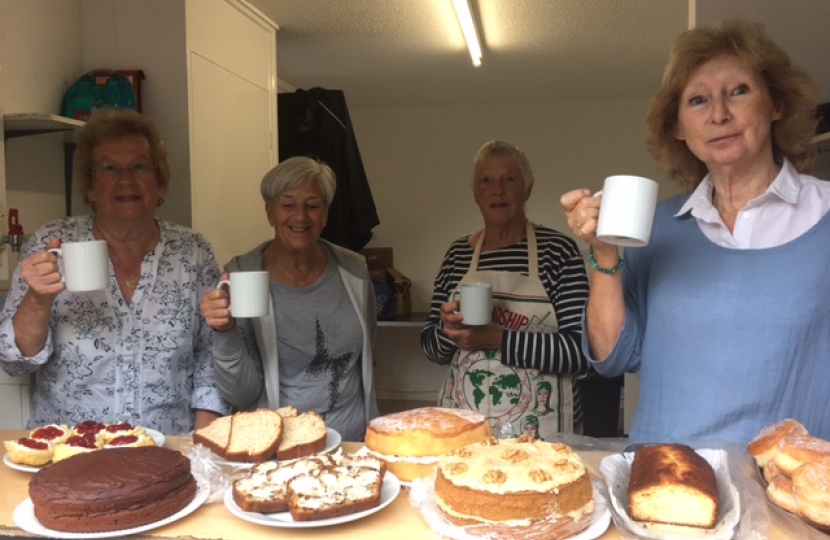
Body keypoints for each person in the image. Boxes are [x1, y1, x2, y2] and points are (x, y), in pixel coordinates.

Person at [561, 19, 830, 443]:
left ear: (776, 103)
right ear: (678, 128)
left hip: (784, 497)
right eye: (698, 100)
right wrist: (604, 255)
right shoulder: (656, 228)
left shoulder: (825, 215)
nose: (720, 114)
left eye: (739, 91)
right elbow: (613, 357)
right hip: (665, 487)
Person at [0, 108, 227, 434]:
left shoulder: (192, 251)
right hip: (69, 451)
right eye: (109, 168)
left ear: (159, 183)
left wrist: (203, 443)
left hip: (164, 451)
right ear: (90, 188)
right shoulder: (54, 243)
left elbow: (212, 354)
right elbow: (14, 362)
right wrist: (37, 299)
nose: (126, 180)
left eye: (139, 166)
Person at [200, 156, 378, 442]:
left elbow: (367, 351)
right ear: (270, 213)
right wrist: (225, 331)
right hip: (278, 446)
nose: (300, 217)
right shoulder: (242, 275)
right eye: (287, 205)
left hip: (351, 444)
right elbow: (241, 393)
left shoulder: (354, 269)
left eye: (312, 205)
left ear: (325, 215)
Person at [421, 140, 590, 439]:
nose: (496, 190)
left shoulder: (558, 250)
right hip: (468, 429)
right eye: (485, 181)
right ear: (475, 194)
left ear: (527, 188)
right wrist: (447, 331)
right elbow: (432, 350)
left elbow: (581, 352)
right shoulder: (458, 254)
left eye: (509, 179)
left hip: (543, 433)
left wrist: (497, 339)